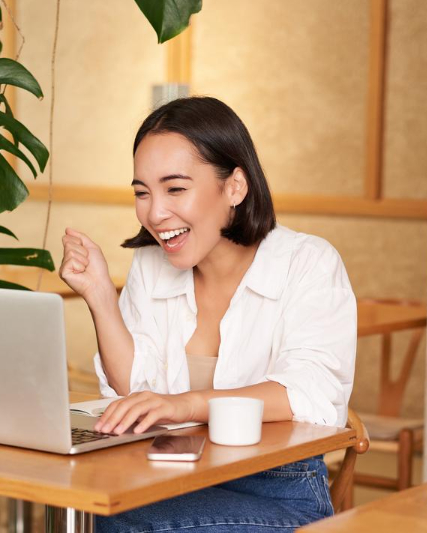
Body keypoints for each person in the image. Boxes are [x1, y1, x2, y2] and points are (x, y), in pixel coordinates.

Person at [59, 96, 359, 531]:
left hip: (275, 490)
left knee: (113, 524)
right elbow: (133, 391)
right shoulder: (151, 265)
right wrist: (100, 296)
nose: (155, 213)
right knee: (93, 511)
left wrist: (187, 405)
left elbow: (312, 394)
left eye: (175, 189)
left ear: (235, 186)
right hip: (167, 477)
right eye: (142, 193)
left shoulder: (308, 262)